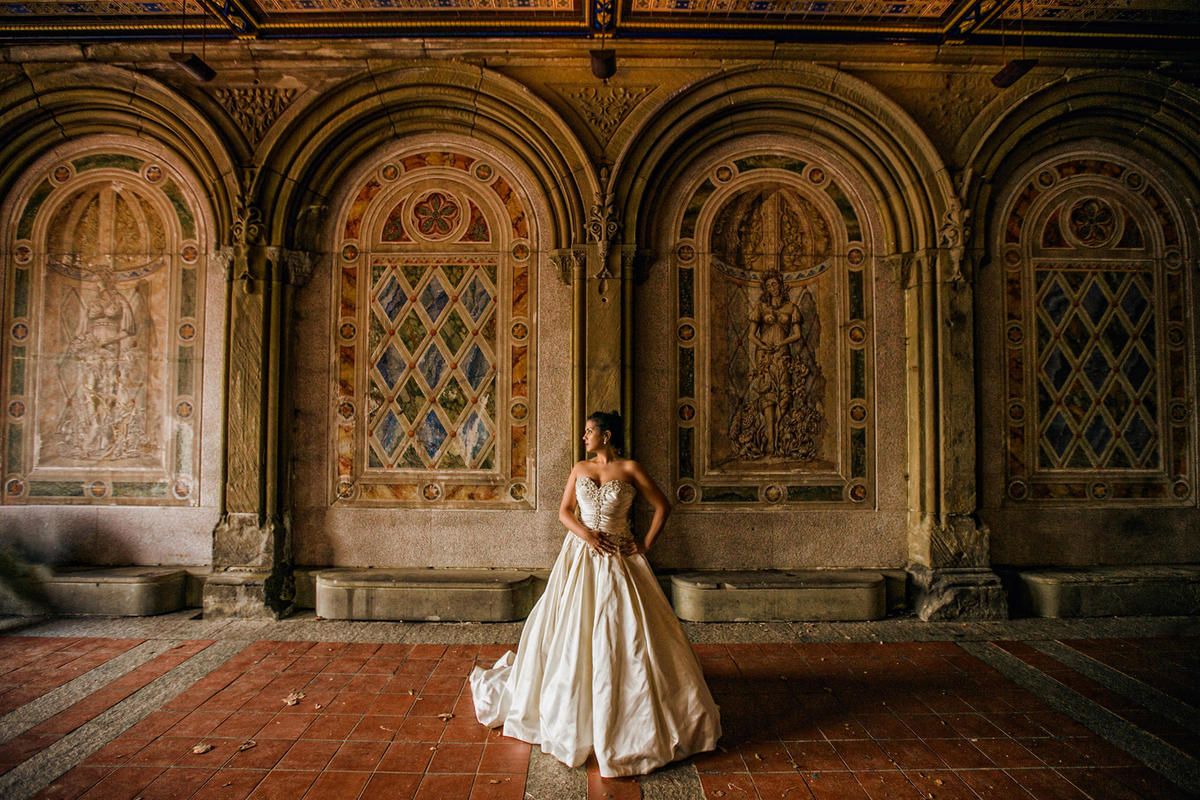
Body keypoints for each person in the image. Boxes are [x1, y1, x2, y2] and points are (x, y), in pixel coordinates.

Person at [469, 410, 721, 777]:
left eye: (589, 432)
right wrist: (585, 535)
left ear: (605, 435)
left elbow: (663, 506)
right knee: (572, 630)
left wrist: (644, 544)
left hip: (620, 558)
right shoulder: (579, 469)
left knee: (627, 635)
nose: (584, 437)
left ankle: (631, 712)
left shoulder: (630, 469)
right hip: (580, 557)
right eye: (585, 432)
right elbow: (564, 512)